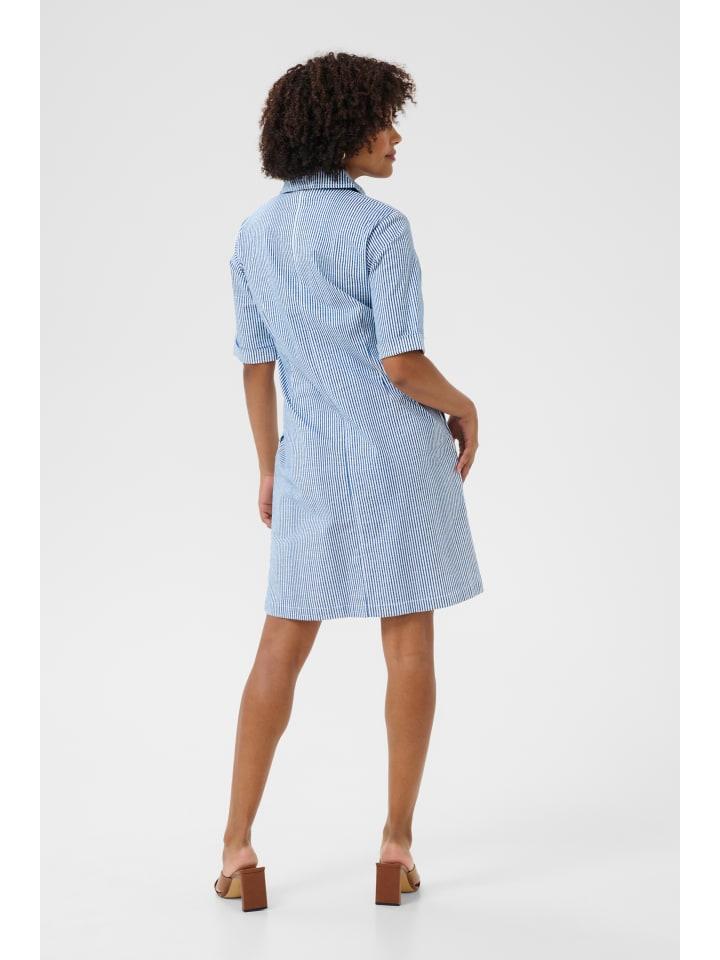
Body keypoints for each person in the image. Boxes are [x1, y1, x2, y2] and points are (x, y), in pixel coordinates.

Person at [215, 51, 484, 910]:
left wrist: (268, 466)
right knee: (408, 645)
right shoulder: (380, 228)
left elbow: (255, 363)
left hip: (311, 462)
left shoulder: (254, 234)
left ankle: (236, 848)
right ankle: (395, 845)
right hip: (399, 458)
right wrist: (465, 404)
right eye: (382, 120)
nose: (395, 136)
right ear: (343, 130)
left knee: (280, 645)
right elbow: (402, 364)